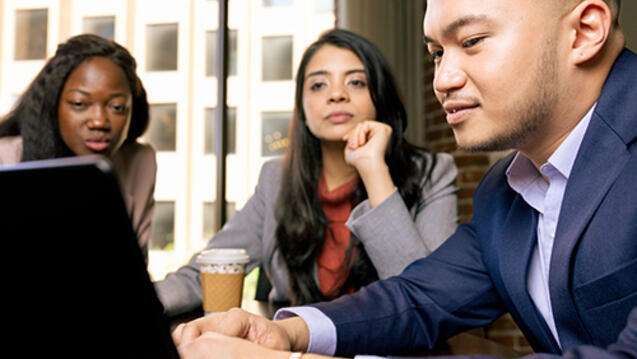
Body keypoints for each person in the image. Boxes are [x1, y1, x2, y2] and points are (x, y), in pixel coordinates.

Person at [170, 0, 637, 358]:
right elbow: (420, 297)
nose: (443, 79)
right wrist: (284, 331)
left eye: (471, 41)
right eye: (436, 52)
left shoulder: (445, 174)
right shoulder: (505, 189)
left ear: (585, 30)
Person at [155, 29, 458, 315]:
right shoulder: (276, 179)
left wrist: (373, 169)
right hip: (295, 346)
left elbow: (427, 301)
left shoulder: (432, 172)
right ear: (302, 106)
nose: (337, 94)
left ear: (380, 96)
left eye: (356, 82)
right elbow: (207, 271)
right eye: (318, 85)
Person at [0, 34, 156, 255]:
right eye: (80, 103)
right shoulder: (5, 159)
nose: (99, 121)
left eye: (117, 107)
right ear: (54, 105)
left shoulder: (140, 162)